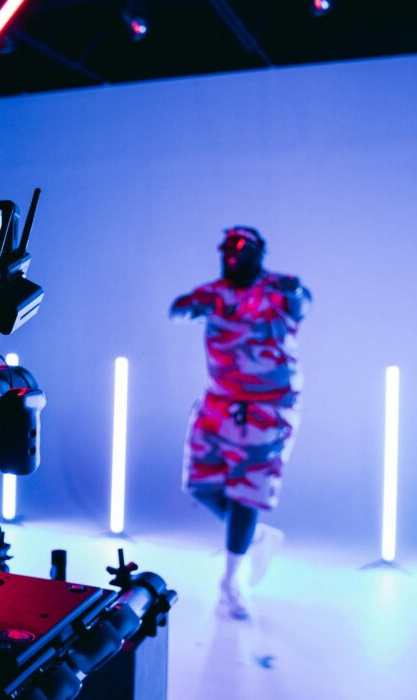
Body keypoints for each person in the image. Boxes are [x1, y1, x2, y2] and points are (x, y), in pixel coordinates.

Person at [169, 225, 311, 620]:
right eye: (227, 250)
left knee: (247, 493)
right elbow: (179, 308)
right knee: (199, 484)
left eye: (241, 250)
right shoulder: (213, 293)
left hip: (268, 408)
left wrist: (296, 295)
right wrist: (192, 309)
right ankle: (255, 537)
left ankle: (233, 582)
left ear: (258, 253)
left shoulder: (280, 288)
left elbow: (302, 303)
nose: (232, 256)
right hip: (219, 401)